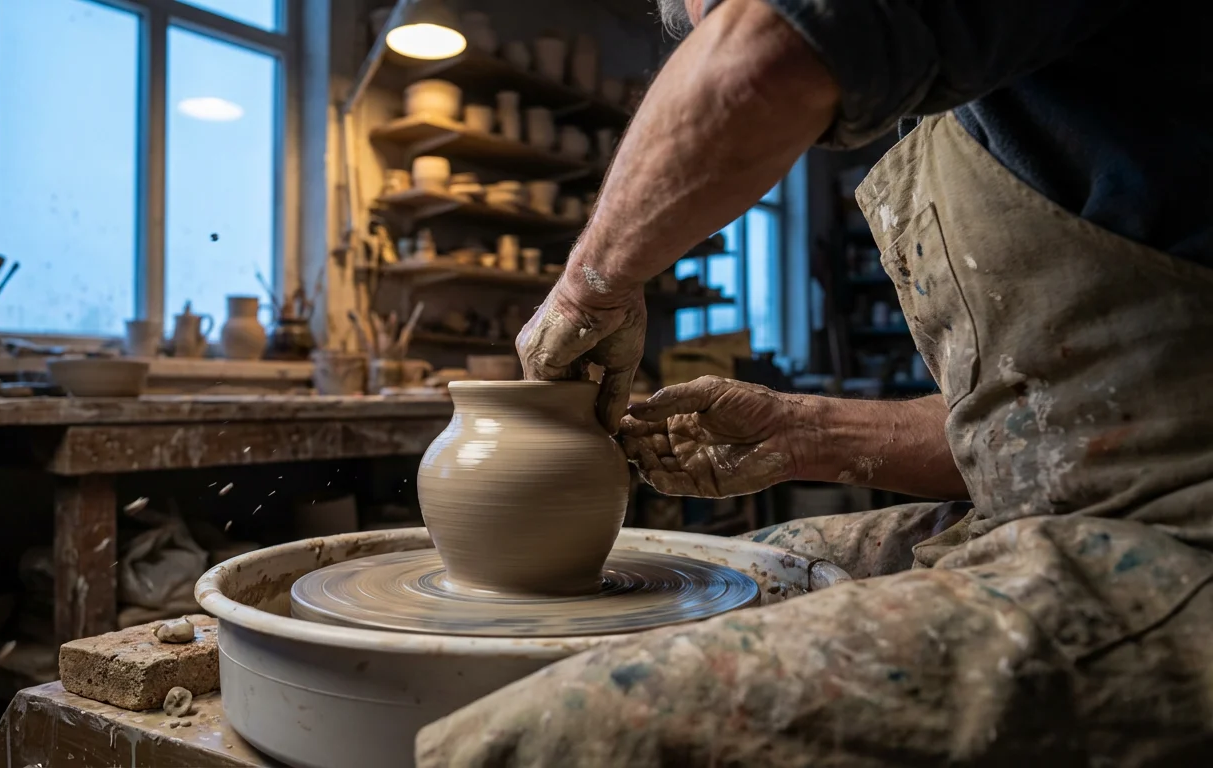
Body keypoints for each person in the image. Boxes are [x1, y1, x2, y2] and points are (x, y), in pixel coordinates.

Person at [416, 0, 1213, 763]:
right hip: (1087, 510)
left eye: (711, 17)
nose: (712, 33)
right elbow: (1065, 429)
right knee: (749, 569)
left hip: (1183, 546)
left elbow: (763, 57)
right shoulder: (1016, 89)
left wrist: (589, 286)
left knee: (544, 737)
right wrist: (804, 432)